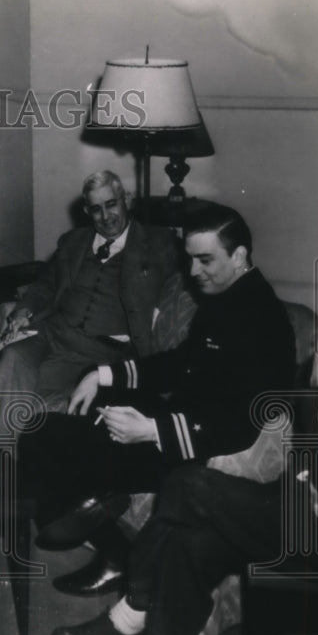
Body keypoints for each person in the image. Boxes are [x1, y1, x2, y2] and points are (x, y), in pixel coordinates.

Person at [46, 252, 318, 635]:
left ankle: (130, 612)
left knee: (188, 485)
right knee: (186, 543)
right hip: (303, 504)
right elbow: (310, 458)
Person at [18, 204, 297, 564]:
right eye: (190, 259)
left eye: (205, 260)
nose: (193, 271)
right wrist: (101, 375)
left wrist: (150, 429)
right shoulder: (227, 298)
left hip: (194, 448)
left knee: (43, 436)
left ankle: (114, 550)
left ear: (239, 255)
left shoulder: (261, 320)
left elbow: (238, 425)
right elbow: (184, 363)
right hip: (178, 419)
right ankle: (98, 505)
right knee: (81, 404)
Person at [0, 170, 178, 440]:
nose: (105, 217)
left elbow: (186, 278)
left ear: (126, 199)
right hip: (53, 332)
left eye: (111, 204)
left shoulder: (158, 243)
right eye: (96, 209)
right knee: (13, 357)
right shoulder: (73, 241)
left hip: (101, 350)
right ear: (86, 211)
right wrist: (25, 309)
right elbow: (46, 285)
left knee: (17, 387)